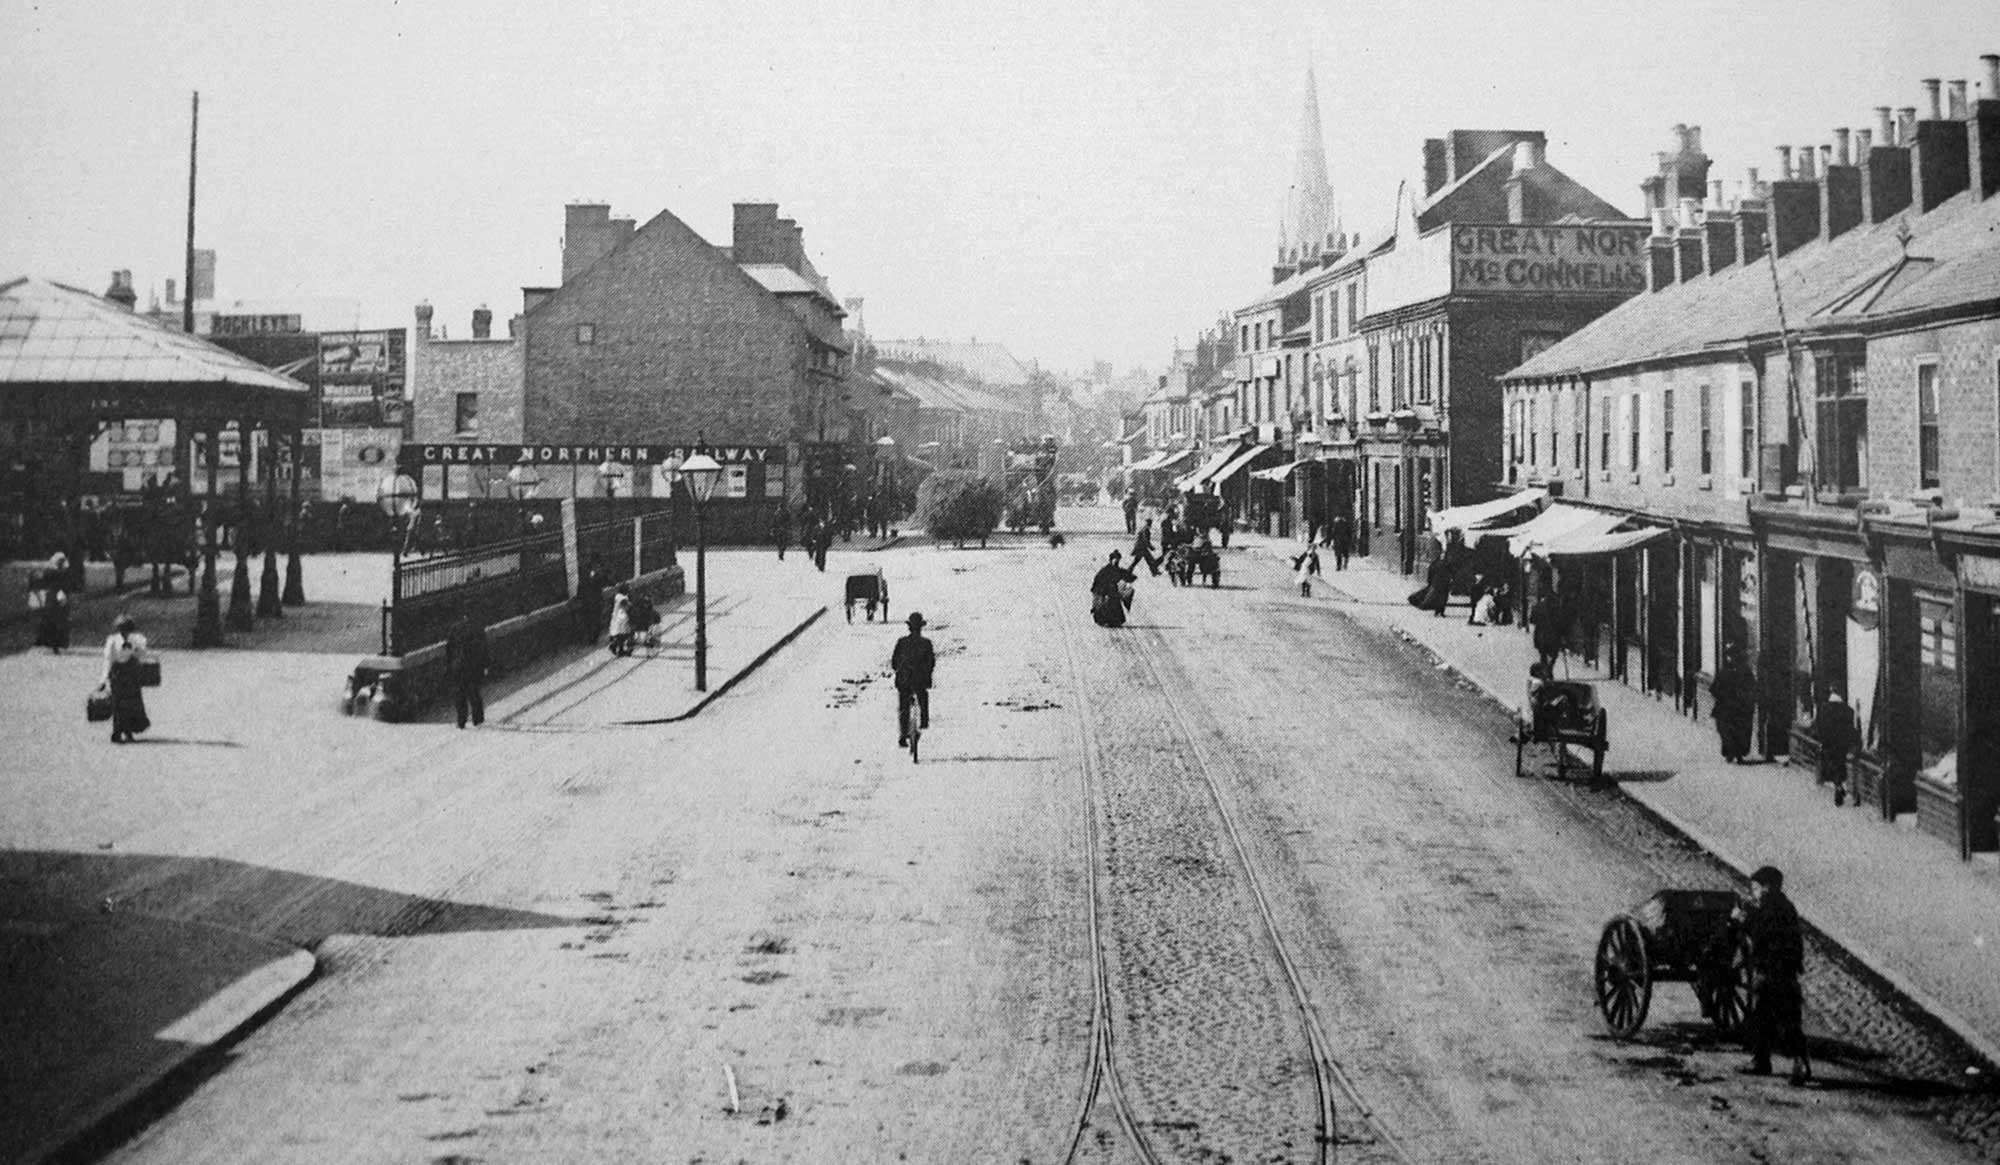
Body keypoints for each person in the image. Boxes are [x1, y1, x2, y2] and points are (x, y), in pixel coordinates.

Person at [1737, 866, 1811, 1084]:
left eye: (1756, 888)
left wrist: (1743, 920)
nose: (1753, 893)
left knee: (1762, 1017)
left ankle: (1761, 1062)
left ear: (1767, 887)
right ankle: (1800, 1064)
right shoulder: (1788, 906)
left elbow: (1760, 936)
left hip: (1769, 972)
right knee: (1790, 1021)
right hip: (1788, 973)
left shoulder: (1766, 908)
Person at [101, 613, 150, 743]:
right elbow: (108, 660)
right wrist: (103, 680)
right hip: (117, 673)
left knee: (131, 702)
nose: (125, 632)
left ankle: (128, 731)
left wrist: (134, 650)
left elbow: (143, 655)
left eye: (127, 629)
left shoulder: (137, 640)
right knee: (117, 703)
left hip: (131, 673)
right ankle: (117, 731)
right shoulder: (112, 640)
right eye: (122, 629)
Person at [891, 611, 935, 748]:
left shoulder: (902, 642)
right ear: (921, 628)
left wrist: (899, 671)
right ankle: (924, 720)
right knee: (923, 697)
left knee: (904, 706)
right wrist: (927, 674)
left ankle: (903, 736)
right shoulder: (926, 643)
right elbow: (931, 663)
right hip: (920, 681)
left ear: (909, 627)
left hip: (904, 681)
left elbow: (894, 662)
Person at [444, 606, 490, 729]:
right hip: (473, 666)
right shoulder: (478, 628)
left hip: (458, 666)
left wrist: (449, 665)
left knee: (459, 694)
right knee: (474, 692)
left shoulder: (454, 628)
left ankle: (461, 721)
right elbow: (484, 649)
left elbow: (449, 649)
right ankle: (477, 719)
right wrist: (485, 665)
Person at [1711, 646, 1758, 764]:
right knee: (1737, 731)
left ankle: (1732, 753)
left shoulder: (1726, 671)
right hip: (1738, 708)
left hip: (1729, 708)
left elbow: (1714, 689)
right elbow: (1753, 687)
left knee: (1729, 731)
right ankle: (1736, 753)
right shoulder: (1744, 671)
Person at [1813, 691, 1860, 806]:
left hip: (1829, 743)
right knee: (1841, 764)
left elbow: (1818, 727)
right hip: (1843, 743)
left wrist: (1821, 740)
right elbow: (1852, 729)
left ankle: (1838, 786)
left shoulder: (1823, 709)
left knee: (1833, 765)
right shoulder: (1848, 710)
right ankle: (1841, 787)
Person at [31, 552, 72, 653]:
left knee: (50, 620)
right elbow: (67, 586)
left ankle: (48, 642)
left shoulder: (48, 572)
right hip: (59, 599)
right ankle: (57, 644)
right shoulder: (63, 573)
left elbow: (40, 583)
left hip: (51, 598)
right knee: (58, 621)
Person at [1091, 550, 1138, 628]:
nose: (1116, 562)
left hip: (1112, 591)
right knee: (1105, 604)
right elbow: (1098, 582)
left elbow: (1125, 575)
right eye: (1115, 560)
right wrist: (1102, 592)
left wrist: (1131, 574)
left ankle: (1114, 621)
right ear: (1111, 560)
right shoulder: (1105, 570)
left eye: (1118, 560)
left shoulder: (1117, 570)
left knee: (1114, 603)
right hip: (1102, 591)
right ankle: (1103, 620)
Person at [1531, 587, 1566, 674]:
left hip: (1541, 636)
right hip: (1554, 637)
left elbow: (1532, 620)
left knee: (1543, 655)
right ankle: (1549, 669)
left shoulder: (1538, 606)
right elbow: (1561, 623)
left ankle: (1545, 671)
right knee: (1553, 656)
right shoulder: (1557, 608)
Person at [606, 584, 634, 656]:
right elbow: (627, 606)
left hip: (618, 617)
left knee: (621, 634)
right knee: (623, 634)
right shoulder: (620, 597)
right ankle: (614, 645)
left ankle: (620, 649)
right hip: (621, 618)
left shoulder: (619, 596)